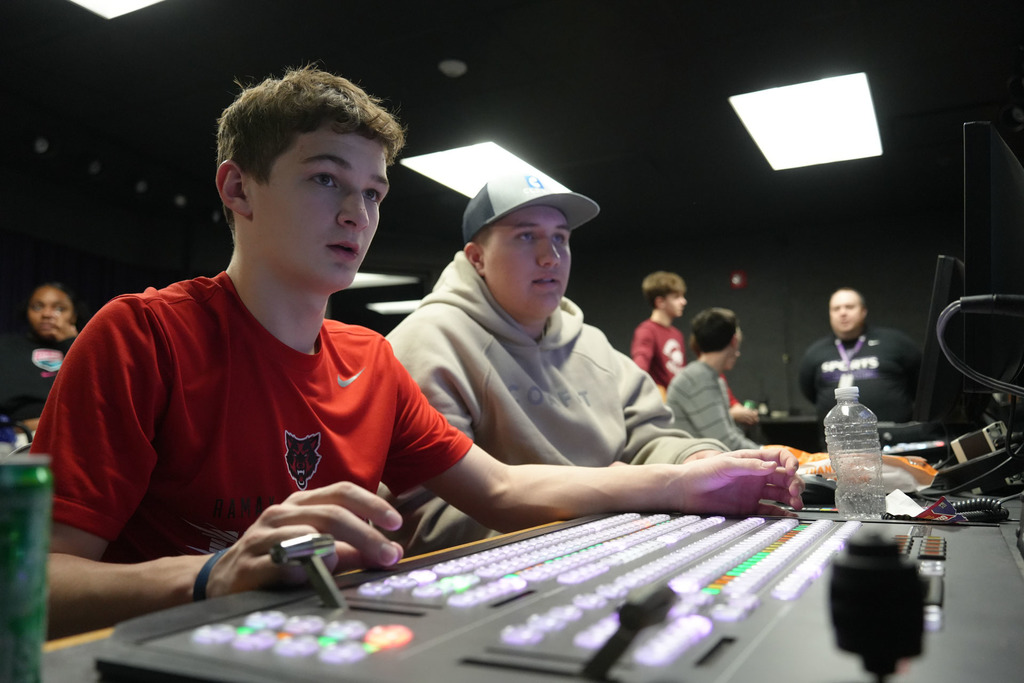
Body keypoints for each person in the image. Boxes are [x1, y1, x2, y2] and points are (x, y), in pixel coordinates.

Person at [32, 67, 802, 638]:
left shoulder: (368, 357)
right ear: (238, 189)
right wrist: (213, 572)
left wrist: (681, 483)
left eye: (373, 192)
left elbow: (501, 489)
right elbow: (38, 584)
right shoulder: (141, 336)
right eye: (326, 179)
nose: (355, 213)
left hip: (328, 642)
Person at [383, 173, 802, 555]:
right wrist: (617, 510)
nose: (551, 257)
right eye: (527, 237)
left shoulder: (593, 345)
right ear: (476, 258)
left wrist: (703, 464)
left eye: (561, 238)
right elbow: (429, 520)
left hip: (617, 542)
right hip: (515, 571)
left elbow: (651, 437)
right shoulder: (426, 344)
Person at [798, 287, 922, 425]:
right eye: (836, 308)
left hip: (897, 438)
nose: (842, 313)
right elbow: (809, 392)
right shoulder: (816, 351)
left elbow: (921, 384)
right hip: (838, 440)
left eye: (849, 307)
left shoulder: (895, 342)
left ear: (863, 311)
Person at [665, 308, 760, 451]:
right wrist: (765, 452)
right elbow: (725, 443)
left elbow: (730, 438)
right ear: (734, 341)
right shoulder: (696, 378)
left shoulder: (712, 378)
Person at [0, 282, 84, 434]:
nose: (47, 314)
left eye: (59, 309)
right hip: (21, 436)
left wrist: (72, 343)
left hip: (78, 432)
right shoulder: (6, 347)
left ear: (74, 316)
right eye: (37, 307)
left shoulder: (87, 350)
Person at [630, 270, 687, 397]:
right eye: (677, 297)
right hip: (661, 407)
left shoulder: (677, 334)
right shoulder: (646, 331)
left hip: (677, 404)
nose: (683, 302)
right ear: (660, 302)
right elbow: (639, 368)